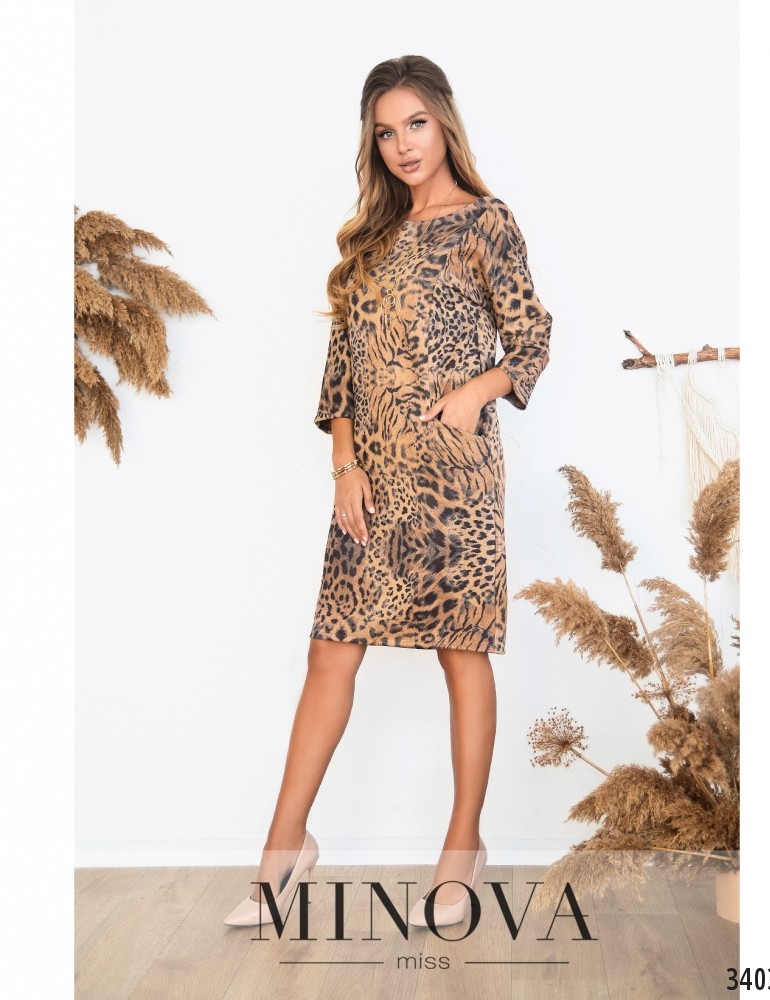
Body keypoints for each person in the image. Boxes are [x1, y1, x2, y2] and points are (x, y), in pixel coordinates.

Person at [225, 54, 553, 929]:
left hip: (455, 477)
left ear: (443, 121)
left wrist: (476, 392)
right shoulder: (368, 240)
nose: (403, 144)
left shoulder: (486, 221)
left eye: (415, 123)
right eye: (385, 132)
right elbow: (342, 369)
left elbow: (530, 338)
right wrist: (345, 465)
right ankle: (283, 848)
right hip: (371, 479)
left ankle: (462, 847)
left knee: (461, 652)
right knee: (330, 652)